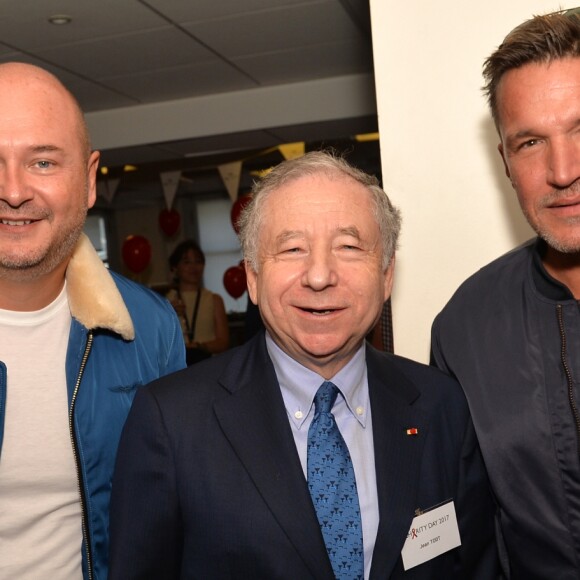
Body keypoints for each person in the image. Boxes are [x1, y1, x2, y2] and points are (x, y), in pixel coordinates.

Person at [109, 151, 499, 579]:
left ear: (386, 276)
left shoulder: (440, 404)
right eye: (293, 248)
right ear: (253, 278)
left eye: (349, 247)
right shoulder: (172, 422)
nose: (319, 275)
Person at [0, 62, 186, 580]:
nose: (14, 191)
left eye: (42, 162)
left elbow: (175, 513)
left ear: (87, 179)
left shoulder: (149, 328)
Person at [430, 8, 580, 578]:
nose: (562, 170)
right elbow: (466, 532)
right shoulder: (465, 326)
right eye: (530, 142)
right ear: (506, 163)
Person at [166, 239, 229, 365]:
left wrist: (199, 346)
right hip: (177, 369)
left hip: (209, 365)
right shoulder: (165, 302)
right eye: (187, 262)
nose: (193, 267)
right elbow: (159, 344)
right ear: (175, 268)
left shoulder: (214, 299)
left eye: (198, 261)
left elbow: (223, 342)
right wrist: (168, 314)